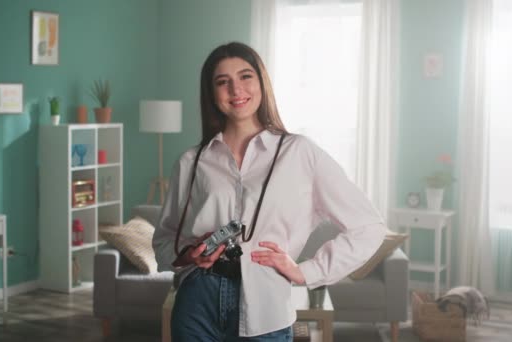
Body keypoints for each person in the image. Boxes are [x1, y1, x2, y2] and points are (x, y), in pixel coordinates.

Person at [152, 41, 387, 341]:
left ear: (262, 82)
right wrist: (188, 255)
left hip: (265, 308)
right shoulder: (192, 160)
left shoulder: (299, 152)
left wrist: (307, 271)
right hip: (196, 303)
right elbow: (163, 239)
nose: (236, 90)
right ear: (211, 94)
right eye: (223, 82)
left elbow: (368, 227)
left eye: (245, 76)